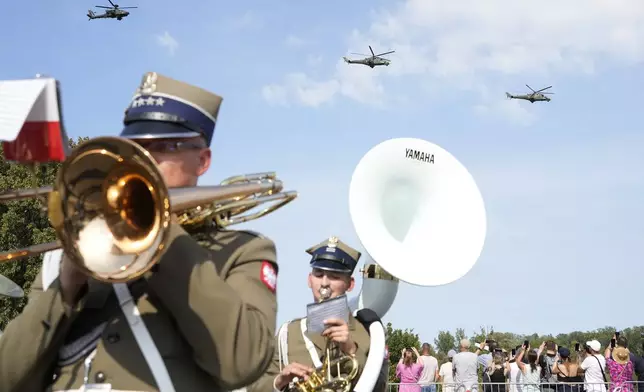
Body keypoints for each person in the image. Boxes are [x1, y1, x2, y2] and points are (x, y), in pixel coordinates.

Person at [0, 72, 280, 392]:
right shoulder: (66, 253)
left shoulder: (242, 250)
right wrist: (65, 288)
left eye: (164, 147)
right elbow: (8, 379)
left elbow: (242, 363)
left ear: (202, 161)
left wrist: (163, 233)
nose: (145, 159)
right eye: (135, 147)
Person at [247, 236, 387, 392]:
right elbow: (255, 386)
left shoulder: (369, 334)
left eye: (334, 276)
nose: (324, 283)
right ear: (309, 280)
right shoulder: (288, 333)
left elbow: (379, 387)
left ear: (350, 284)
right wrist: (278, 381)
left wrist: (351, 350)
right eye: (319, 275)